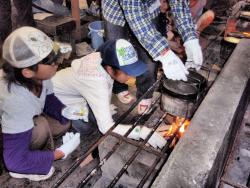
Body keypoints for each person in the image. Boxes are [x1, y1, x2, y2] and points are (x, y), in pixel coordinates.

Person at [52, 39, 167, 149]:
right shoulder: (97, 82)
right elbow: (106, 128)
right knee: (86, 128)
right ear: (110, 70)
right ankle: (58, 123)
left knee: (95, 116)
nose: (131, 76)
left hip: (69, 93)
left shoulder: (101, 59)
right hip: (54, 100)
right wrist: (141, 131)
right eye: (127, 72)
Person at [0, 27, 82, 181]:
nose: (57, 64)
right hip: (8, 134)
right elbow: (14, 160)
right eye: (51, 62)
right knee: (41, 127)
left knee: (62, 122)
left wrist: (63, 111)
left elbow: (48, 98)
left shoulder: (38, 76)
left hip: (18, 121)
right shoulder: (15, 100)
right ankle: (21, 168)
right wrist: (60, 153)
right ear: (27, 72)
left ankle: (31, 153)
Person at [102, 0, 203, 114]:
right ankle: (119, 87)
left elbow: (179, 3)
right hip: (115, 10)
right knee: (115, 53)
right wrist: (163, 53)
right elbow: (135, 14)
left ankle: (145, 94)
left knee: (149, 58)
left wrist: (190, 38)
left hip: (149, 7)